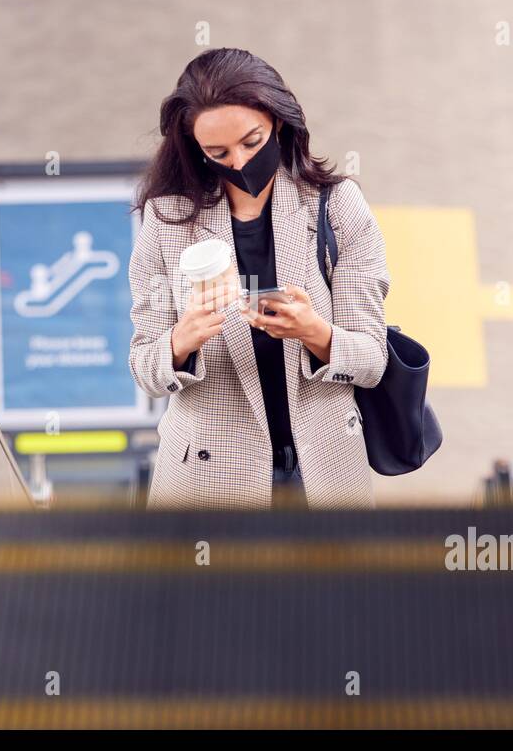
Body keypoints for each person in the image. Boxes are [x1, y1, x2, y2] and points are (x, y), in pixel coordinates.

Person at [128, 48, 390, 510]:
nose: (240, 162)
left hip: (323, 473)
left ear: (280, 123)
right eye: (218, 153)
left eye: (252, 142)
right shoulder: (167, 220)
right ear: (195, 149)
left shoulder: (337, 206)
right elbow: (144, 368)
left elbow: (371, 359)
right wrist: (180, 342)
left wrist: (315, 332)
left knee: (334, 586)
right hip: (207, 477)